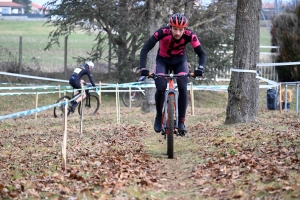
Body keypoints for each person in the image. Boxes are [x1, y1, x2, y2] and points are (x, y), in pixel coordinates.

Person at [139, 13, 207, 134]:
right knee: (160, 87)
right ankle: (159, 117)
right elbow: (145, 49)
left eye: (181, 30)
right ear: (170, 27)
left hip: (179, 62)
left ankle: (181, 122)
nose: (177, 33)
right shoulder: (162, 32)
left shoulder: (190, 35)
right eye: (175, 29)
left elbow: (202, 54)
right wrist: (143, 68)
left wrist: (200, 68)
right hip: (162, 61)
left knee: (182, 86)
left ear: (184, 29)